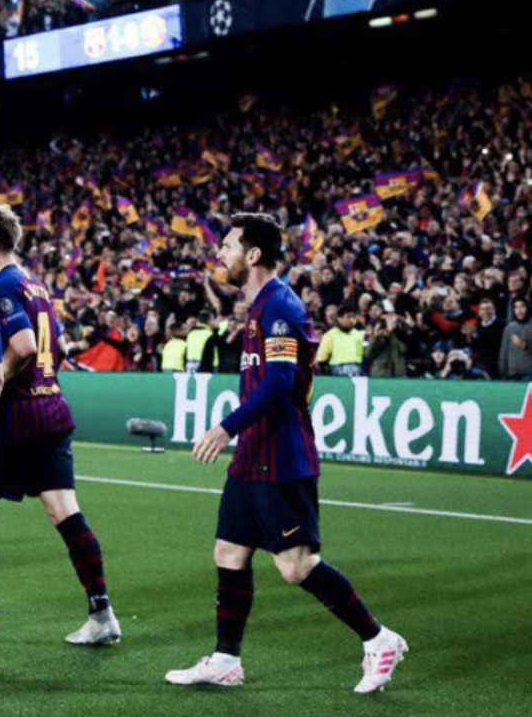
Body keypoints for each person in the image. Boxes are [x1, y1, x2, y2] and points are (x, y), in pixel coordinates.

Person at [167, 214, 406, 694]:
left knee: (295, 566)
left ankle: (379, 640)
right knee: (230, 551)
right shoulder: (257, 308)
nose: (221, 254)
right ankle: (226, 659)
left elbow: (278, 383)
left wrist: (224, 427)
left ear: (253, 255)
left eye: (229, 246)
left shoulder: (279, 307)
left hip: (281, 456)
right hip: (252, 457)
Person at [0, 203, 119, 646]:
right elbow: (56, 346)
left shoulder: (1, 286)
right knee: (63, 512)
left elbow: (25, 345)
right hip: (51, 410)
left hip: (17, 422)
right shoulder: (35, 286)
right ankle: (102, 611)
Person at [317, 309, 366, 377]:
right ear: (339, 319)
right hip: (337, 369)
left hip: (357, 369)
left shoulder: (359, 335)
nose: (352, 320)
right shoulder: (330, 335)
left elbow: (363, 354)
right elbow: (322, 358)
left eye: (353, 317)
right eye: (348, 317)